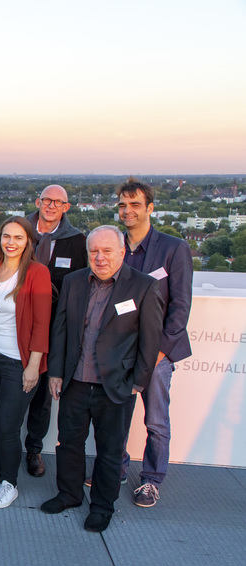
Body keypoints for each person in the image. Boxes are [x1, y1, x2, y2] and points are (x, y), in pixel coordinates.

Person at [41, 226, 163, 532]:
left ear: (121, 253)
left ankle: (102, 506)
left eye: (107, 251)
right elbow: (60, 329)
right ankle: (69, 494)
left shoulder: (144, 287)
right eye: (94, 251)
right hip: (75, 381)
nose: (100, 257)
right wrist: (55, 372)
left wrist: (138, 381)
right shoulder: (73, 281)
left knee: (109, 450)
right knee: (68, 442)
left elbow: (151, 340)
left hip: (116, 385)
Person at [116, 177, 193, 508]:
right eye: (122, 204)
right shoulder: (114, 245)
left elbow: (181, 306)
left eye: (135, 204)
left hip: (157, 354)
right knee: (115, 416)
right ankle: (115, 468)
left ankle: (151, 480)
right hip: (119, 352)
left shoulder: (173, 248)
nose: (128, 210)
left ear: (149, 208)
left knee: (156, 420)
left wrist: (159, 352)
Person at [0, 216, 52, 509]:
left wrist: (33, 366)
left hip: (19, 362)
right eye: (6, 236)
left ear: (28, 241)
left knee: (6, 425)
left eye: (18, 237)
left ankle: (10, 484)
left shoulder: (37, 273)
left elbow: (42, 323)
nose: (11, 242)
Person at [10, 184, 88, 478]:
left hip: (53, 329)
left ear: (66, 207)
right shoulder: (19, 231)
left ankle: (33, 450)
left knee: (41, 397)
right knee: (10, 389)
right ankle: (5, 446)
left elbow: (81, 286)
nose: (52, 206)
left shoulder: (77, 242)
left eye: (59, 202)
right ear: (37, 202)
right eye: (47, 200)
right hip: (15, 325)